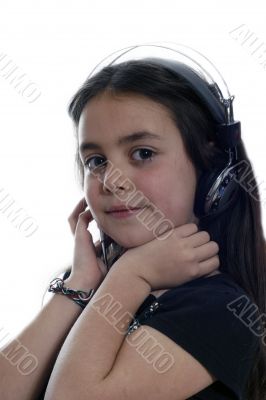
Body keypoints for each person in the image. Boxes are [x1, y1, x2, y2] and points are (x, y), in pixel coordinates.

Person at [0, 52, 265, 400]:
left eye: (142, 153)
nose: (112, 179)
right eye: (95, 161)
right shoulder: (95, 292)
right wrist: (80, 285)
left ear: (211, 172)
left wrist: (130, 275)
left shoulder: (219, 310)